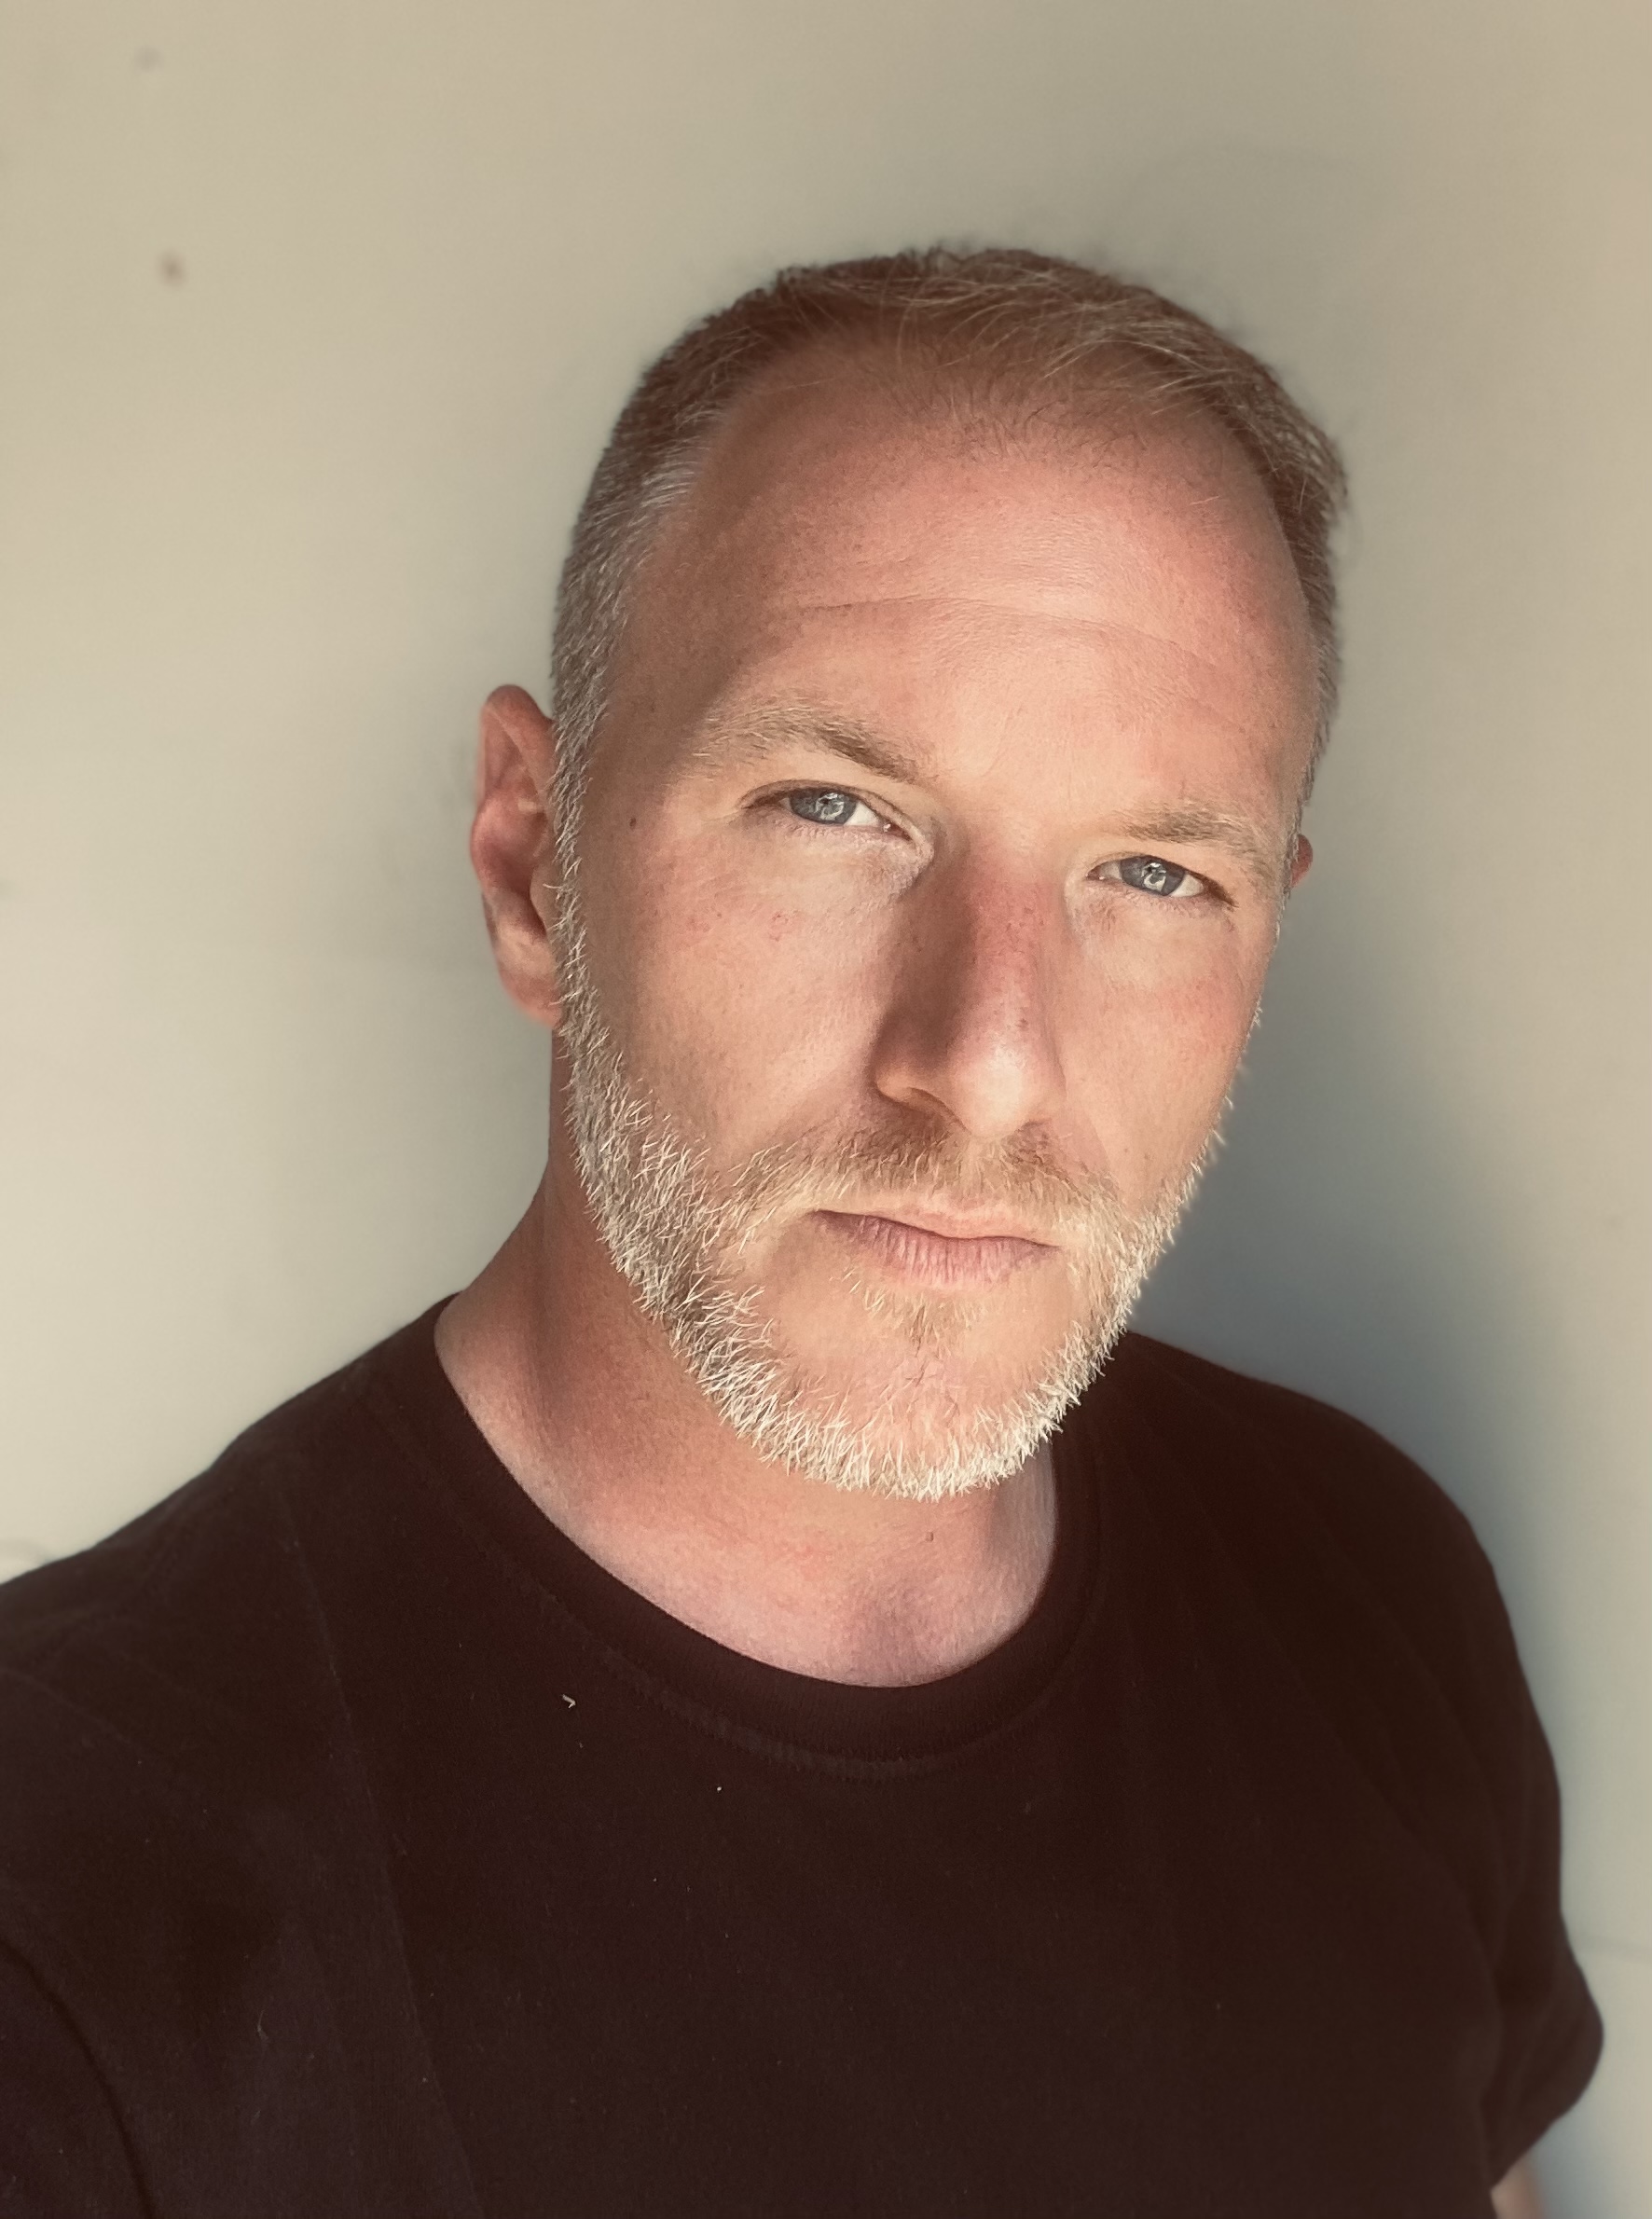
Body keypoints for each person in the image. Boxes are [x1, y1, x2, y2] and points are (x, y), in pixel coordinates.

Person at [0, 249, 1599, 2218]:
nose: (986, 1063)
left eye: (1153, 871)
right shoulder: (66, 1912)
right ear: (532, 865)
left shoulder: (1370, 1589)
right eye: (832, 809)